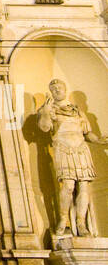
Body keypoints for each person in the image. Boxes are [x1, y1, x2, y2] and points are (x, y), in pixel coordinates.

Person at [37, 78, 108, 237]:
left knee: (84, 186)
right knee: (68, 186)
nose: (57, 90)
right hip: (63, 148)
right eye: (53, 89)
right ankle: (63, 220)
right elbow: (44, 127)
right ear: (51, 92)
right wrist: (46, 111)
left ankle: (81, 223)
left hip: (81, 149)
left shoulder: (77, 110)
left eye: (59, 88)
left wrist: (99, 140)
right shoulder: (49, 109)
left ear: (65, 89)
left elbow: (87, 133)